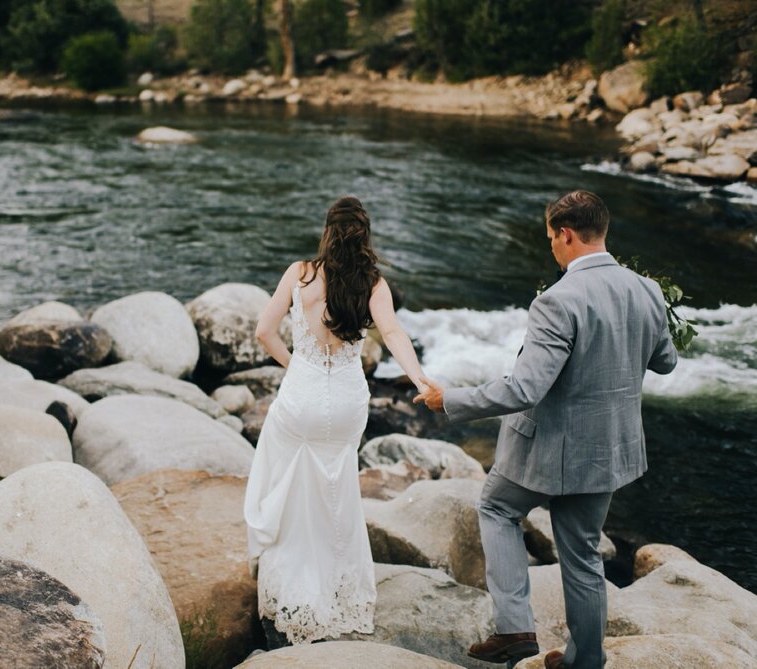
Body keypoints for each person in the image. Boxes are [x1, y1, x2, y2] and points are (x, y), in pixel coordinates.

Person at [415, 190, 678, 669]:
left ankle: (515, 628)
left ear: (566, 234)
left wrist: (447, 399)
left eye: (551, 238)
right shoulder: (648, 290)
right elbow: (666, 362)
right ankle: (585, 661)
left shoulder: (556, 301)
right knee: (582, 553)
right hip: (608, 450)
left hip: (547, 450)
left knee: (496, 507)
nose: (551, 248)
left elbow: (524, 389)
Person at [243, 196, 429, 647]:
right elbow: (394, 333)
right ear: (365, 236)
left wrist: (296, 365)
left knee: (288, 483)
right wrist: (420, 378)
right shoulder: (373, 283)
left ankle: (295, 579)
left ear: (328, 231)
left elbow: (263, 332)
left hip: (304, 394)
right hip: (347, 402)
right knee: (337, 484)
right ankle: (339, 584)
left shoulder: (300, 273)